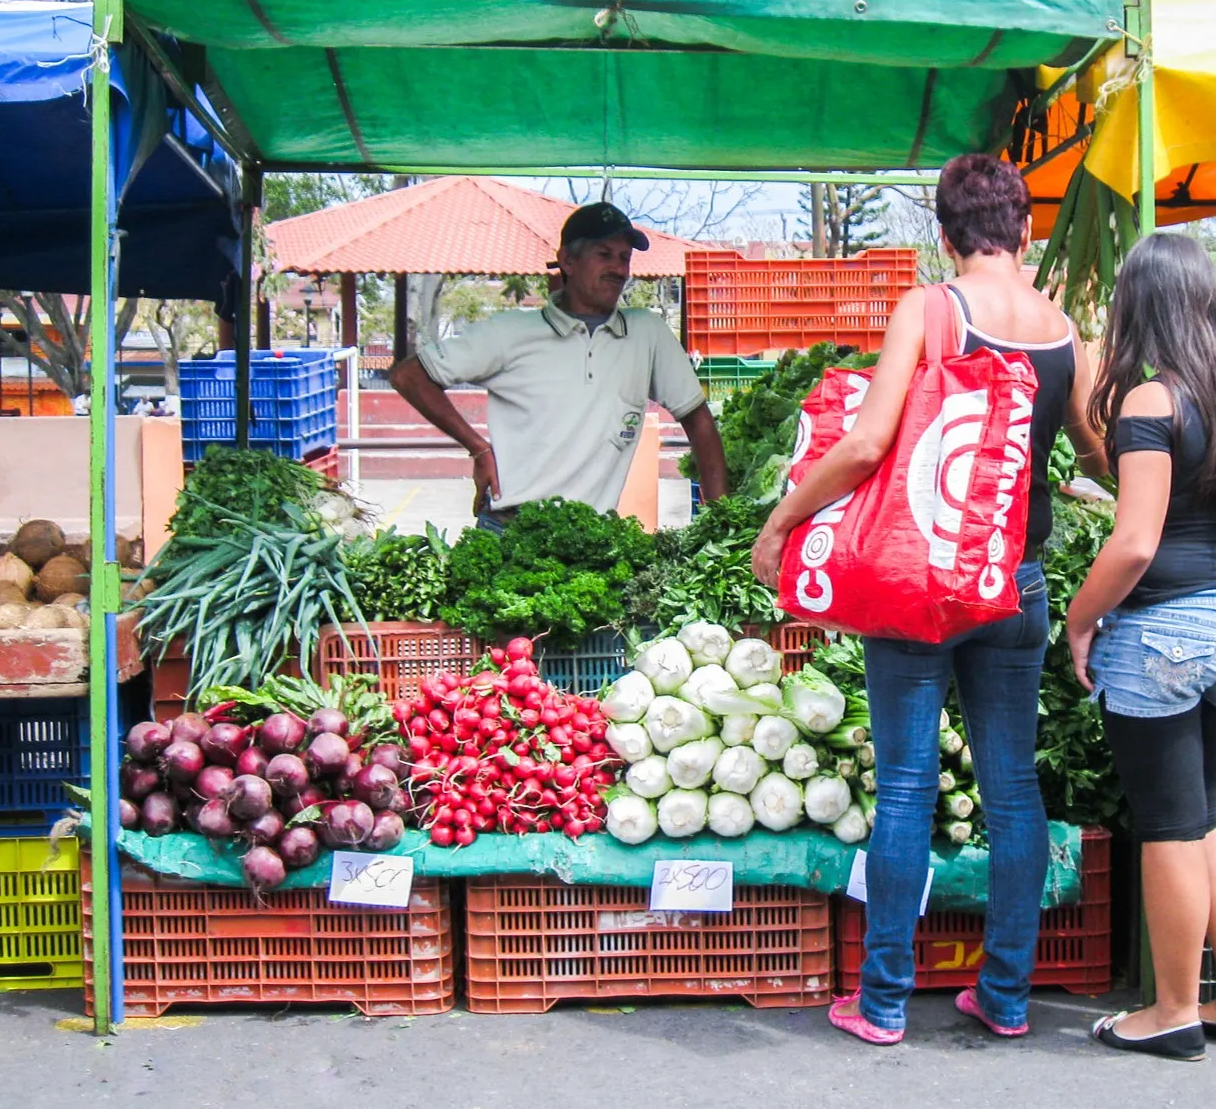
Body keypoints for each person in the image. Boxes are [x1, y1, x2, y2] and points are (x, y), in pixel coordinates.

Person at [751, 154, 1107, 1045]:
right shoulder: (1066, 331)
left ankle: (879, 1002)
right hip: (1015, 584)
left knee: (907, 788)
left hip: (919, 588)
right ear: (1023, 229)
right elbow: (1098, 451)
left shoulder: (930, 307)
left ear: (944, 236)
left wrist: (782, 521)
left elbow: (869, 443)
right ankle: (1008, 995)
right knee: (1013, 790)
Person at [1065, 234, 1216, 1062]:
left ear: (1137, 306)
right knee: (1201, 815)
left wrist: (1080, 619)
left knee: (1166, 824)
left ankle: (1171, 1010)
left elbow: (1132, 543)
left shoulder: (1150, 403)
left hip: (1165, 633)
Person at [389, 202, 727, 528]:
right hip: (510, 527)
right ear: (567, 260)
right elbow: (409, 375)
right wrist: (477, 449)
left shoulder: (647, 333)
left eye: (625, 257)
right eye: (604, 255)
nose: (620, 269)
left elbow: (699, 421)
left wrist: (716, 521)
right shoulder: (510, 332)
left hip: (590, 537)